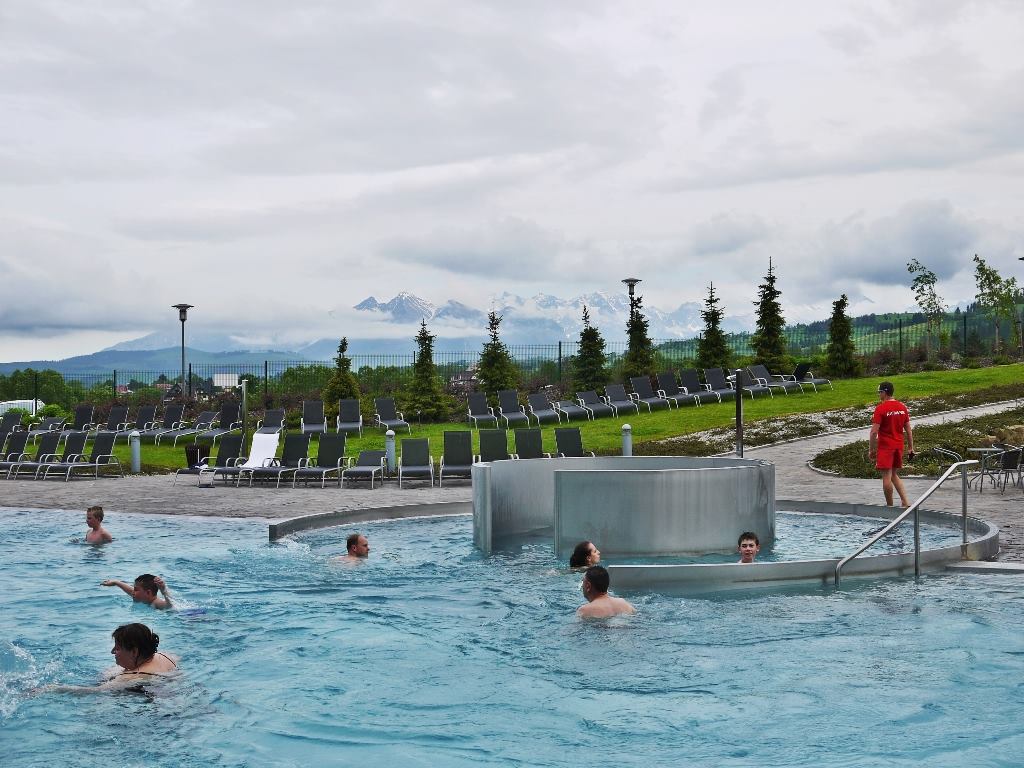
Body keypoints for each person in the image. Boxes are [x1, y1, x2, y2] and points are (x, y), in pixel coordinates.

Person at [41, 623, 178, 693]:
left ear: (134, 651)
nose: (112, 652)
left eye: (117, 648)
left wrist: (52, 688)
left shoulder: (133, 677)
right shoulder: (166, 656)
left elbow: (94, 692)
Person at [869, 381, 915, 507]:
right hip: (898, 446)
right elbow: (909, 430)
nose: (879, 394)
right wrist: (911, 448)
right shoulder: (902, 407)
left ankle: (890, 507)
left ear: (885, 392)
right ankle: (905, 502)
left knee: (887, 477)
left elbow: (873, 432)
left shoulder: (881, 408)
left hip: (885, 447)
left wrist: (871, 450)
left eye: (880, 392)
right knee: (894, 474)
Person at [101, 573, 173, 609]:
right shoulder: (141, 597)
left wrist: (164, 591)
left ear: (148, 592)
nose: (132, 591)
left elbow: (169, 606)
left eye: (136, 590)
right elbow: (129, 589)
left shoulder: (156, 602)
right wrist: (116, 582)